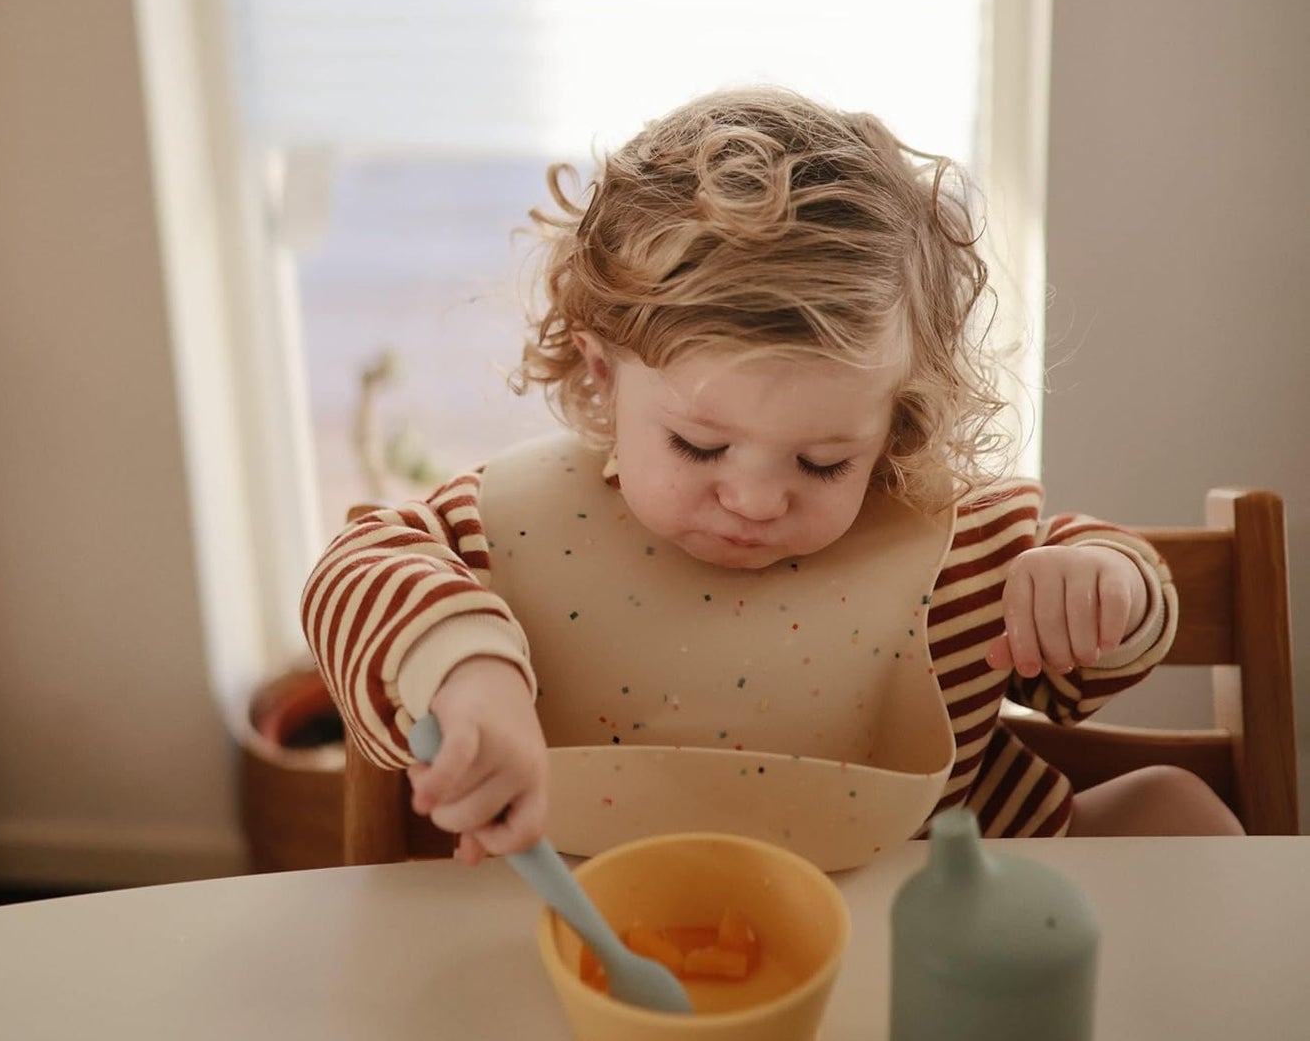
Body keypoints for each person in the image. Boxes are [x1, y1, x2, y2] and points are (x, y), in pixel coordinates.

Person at [302, 87, 1242, 865]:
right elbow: (353, 570)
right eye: (700, 447)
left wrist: (1103, 589)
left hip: (941, 948)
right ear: (601, 372)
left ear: (893, 420)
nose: (754, 499)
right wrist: (466, 672)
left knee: (1177, 814)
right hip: (609, 937)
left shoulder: (957, 558)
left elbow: (1097, 645)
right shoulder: (502, 536)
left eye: (823, 461)